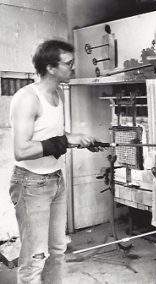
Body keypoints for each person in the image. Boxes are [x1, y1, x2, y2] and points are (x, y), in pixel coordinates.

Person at [9, 39, 102, 284]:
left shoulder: (59, 93)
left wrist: (79, 139)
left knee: (57, 251)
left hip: (56, 179)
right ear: (51, 67)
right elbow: (21, 149)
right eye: (69, 63)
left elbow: (54, 134)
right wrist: (62, 143)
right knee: (34, 258)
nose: (73, 68)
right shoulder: (28, 98)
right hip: (31, 184)